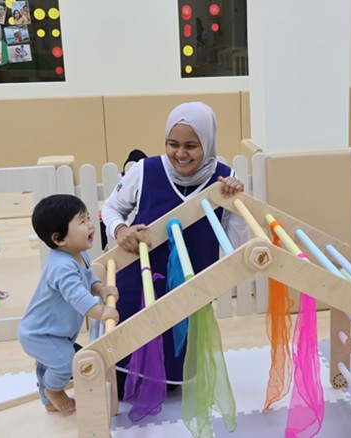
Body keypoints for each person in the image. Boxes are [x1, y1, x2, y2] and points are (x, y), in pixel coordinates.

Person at [101, 101, 248, 395]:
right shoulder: (145, 170)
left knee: (172, 378)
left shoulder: (223, 178)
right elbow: (111, 208)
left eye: (191, 146)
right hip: (138, 283)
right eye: (173, 144)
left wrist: (236, 203)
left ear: (208, 143)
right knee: (124, 372)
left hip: (189, 292)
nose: (180, 154)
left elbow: (238, 243)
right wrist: (121, 230)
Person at [18, 194, 120, 413]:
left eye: (88, 217)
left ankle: (48, 401)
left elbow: (88, 277)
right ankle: (53, 391)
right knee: (66, 364)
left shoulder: (78, 254)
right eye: (82, 222)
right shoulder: (61, 266)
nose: (91, 225)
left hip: (53, 332)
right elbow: (78, 297)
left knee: (53, 362)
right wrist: (102, 312)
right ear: (59, 239)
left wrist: (100, 289)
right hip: (40, 334)